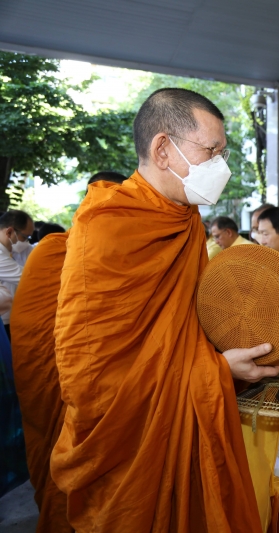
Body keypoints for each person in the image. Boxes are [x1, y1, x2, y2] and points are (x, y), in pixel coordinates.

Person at [51, 88, 279, 532]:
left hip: (189, 422)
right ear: (163, 148)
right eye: (211, 151)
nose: (221, 165)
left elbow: (196, 331)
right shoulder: (106, 226)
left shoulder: (186, 224)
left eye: (223, 152)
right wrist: (216, 371)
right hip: (131, 445)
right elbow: (95, 378)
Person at [11, 171, 126, 533]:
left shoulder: (118, 252)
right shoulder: (51, 249)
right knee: (57, 459)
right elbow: (31, 329)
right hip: (52, 384)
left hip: (85, 383)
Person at [0, 211, 29, 338]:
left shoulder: (5, 252)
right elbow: (26, 278)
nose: (26, 242)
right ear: (9, 232)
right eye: (24, 237)